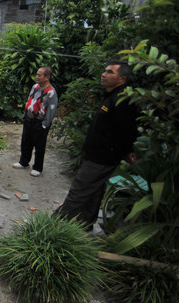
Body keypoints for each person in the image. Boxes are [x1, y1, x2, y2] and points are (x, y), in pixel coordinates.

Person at [55, 61, 138, 231]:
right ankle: (86, 224)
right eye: (105, 71)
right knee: (95, 190)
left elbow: (127, 129)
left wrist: (128, 150)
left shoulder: (122, 100)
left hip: (102, 157)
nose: (104, 74)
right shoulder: (111, 96)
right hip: (97, 154)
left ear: (122, 78)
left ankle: (52, 227)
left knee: (79, 191)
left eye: (110, 72)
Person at [13, 66, 58, 177]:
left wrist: (44, 125)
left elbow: (51, 111)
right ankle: (23, 162)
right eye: (37, 74)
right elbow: (30, 100)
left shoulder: (51, 93)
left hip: (40, 122)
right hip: (29, 120)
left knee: (39, 146)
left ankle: (37, 168)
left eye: (39, 75)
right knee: (25, 142)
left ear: (47, 77)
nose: (37, 76)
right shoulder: (35, 87)